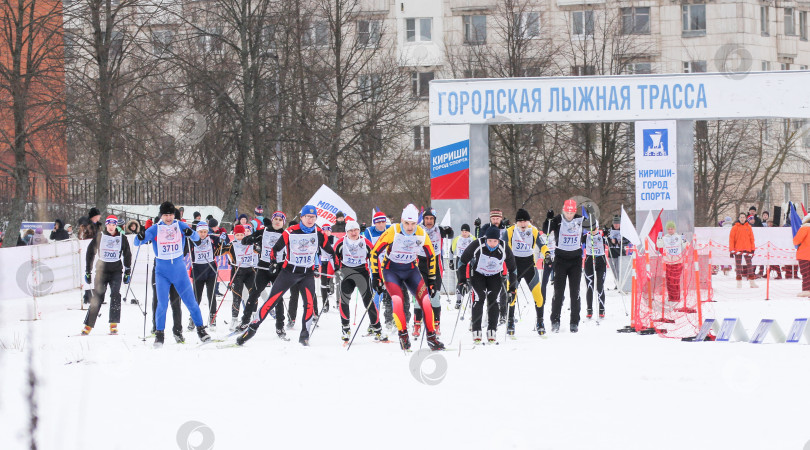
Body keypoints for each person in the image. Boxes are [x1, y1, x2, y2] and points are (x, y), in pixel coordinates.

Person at [236, 205, 335, 346]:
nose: (310, 220)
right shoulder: (290, 231)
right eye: (308, 217)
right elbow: (275, 249)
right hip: (289, 272)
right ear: (302, 217)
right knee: (271, 301)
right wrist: (274, 262)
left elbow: (330, 252)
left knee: (309, 304)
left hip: (307, 273)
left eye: (313, 217)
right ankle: (251, 330)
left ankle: (304, 336)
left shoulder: (319, 233)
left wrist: (336, 266)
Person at [134, 201, 211, 347]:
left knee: (191, 302)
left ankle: (201, 330)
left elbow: (196, 239)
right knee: (162, 303)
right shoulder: (155, 228)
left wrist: (191, 233)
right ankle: (159, 335)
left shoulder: (180, 225)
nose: (168, 218)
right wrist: (140, 235)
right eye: (165, 215)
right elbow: (137, 243)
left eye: (170, 215)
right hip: (162, 272)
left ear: (174, 215)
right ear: (161, 216)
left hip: (179, 270)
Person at [369, 204, 444, 351]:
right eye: (407, 223)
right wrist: (376, 276)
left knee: (426, 301)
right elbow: (374, 253)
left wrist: (432, 280)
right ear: (401, 220)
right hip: (391, 271)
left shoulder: (421, 233)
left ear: (417, 222)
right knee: (398, 300)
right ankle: (403, 336)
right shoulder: (393, 230)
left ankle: (432, 338)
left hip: (410, 270)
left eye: (413, 224)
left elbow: (431, 256)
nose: (410, 228)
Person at [457, 226, 517, 344]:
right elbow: (462, 261)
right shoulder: (477, 244)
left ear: (499, 240)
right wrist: (462, 281)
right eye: (490, 241)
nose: (492, 244)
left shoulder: (504, 247)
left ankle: (492, 330)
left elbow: (513, 269)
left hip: (495, 276)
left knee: (493, 299)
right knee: (479, 297)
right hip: (478, 274)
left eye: (495, 241)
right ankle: (476, 330)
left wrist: (512, 289)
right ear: (485, 239)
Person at [333, 220, 387, 342]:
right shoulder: (341, 243)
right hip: (347, 273)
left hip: (362, 273)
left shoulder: (365, 242)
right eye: (351, 230)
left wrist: (377, 276)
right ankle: (345, 329)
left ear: (359, 230)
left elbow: (374, 259)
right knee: (344, 300)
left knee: (368, 302)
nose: (353, 233)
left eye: (356, 230)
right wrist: (337, 270)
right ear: (346, 232)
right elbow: (335, 257)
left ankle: (377, 329)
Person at [237, 211, 287, 338]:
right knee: (254, 294)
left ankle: (280, 326)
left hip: (278, 268)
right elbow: (245, 241)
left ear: (283, 223)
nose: (277, 221)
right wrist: (251, 239)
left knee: (278, 297)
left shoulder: (286, 234)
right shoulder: (263, 231)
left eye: (280, 220)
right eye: (275, 219)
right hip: (263, 268)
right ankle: (245, 321)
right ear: (272, 220)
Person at [80, 215, 132, 335]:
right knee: (98, 296)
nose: (111, 227)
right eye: (109, 224)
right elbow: (90, 253)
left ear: (116, 226)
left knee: (115, 294)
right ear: (106, 225)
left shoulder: (122, 238)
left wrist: (127, 271)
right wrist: (88, 271)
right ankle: (88, 325)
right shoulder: (100, 236)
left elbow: (127, 254)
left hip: (116, 271)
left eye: (113, 225)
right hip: (101, 271)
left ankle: (113, 324)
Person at [363, 211, 411, 329]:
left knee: (395, 294)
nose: (381, 225)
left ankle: (397, 320)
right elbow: (366, 248)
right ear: (374, 223)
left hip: (391, 268)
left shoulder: (392, 229)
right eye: (378, 222)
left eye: (383, 222)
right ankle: (374, 322)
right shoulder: (369, 231)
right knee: (377, 296)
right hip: (376, 268)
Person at [504, 209, 548, 336]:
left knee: (538, 297)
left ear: (529, 221)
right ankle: (510, 322)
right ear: (516, 222)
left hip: (529, 267)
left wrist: (547, 254)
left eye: (525, 222)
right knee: (512, 296)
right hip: (514, 268)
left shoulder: (533, 230)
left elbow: (542, 245)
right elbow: (500, 245)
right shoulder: (510, 231)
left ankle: (540, 322)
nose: (523, 225)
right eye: (520, 222)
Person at [415, 207, 453, 336]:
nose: (429, 221)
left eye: (431, 218)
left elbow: (451, 235)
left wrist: (449, 231)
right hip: (420, 263)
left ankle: (436, 325)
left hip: (436, 264)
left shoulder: (439, 229)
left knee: (435, 297)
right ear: (423, 219)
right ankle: (417, 325)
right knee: (419, 296)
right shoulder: (417, 229)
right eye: (426, 218)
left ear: (435, 220)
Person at [548, 199, 585, 333]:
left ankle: (574, 322)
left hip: (575, 260)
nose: (569, 215)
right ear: (563, 210)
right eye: (567, 212)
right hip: (561, 260)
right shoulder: (558, 220)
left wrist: (592, 220)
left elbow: (593, 227)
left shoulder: (580, 219)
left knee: (575, 292)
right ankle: (555, 320)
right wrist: (548, 219)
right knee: (559, 292)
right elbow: (546, 229)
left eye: (571, 212)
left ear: (575, 211)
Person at [184, 222, 223, 330]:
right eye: (201, 232)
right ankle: (193, 318)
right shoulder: (192, 240)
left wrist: (223, 235)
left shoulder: (212, 239)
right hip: (197, 271)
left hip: (211, 270)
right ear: (197, 231)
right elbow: (184, 248)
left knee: (211, 295)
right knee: (196, 297)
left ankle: (212, 317)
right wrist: (186, 235)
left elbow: (224, 243)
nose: (203, 234)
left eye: (205, 232)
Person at [224, 224, 257, 331]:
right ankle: (234, 319)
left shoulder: (250, 243)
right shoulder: (231, 245)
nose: (240, 237)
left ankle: (253, 317)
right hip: (237, 272)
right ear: (234, 235)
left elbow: (261, 250)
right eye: (237, 235)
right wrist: (221, 242)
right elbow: (217, 252)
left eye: (241, 235)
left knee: (253, 294)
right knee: (236, 296)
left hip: (250, 271)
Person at [656, 221, 688, 303]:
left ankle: (676, 297)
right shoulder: (664, 238)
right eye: (669, 229)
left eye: (672, 229)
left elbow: (686, 246)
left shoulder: (678, 237)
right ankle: (671, 297)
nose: (670, 230)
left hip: (677, 261)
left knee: (675, 280)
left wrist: (684, 240)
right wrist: (659, 238)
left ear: (674, 229)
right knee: (669, 280)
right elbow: (659, 246)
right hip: (667, 262)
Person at [582, 217, 607, 319]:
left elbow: (613, 242)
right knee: (590, 286)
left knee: (600, 285)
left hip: (600, 261)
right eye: (591, 229)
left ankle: (601, 309)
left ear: (597, 227)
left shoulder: (602, 236)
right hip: (589, 261)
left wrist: (608, 235)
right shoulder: (586, 237)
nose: (593, 231)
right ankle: (589, 309)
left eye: (595, 229)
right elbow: (577, 241)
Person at [729, 212, 757, 289]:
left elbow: (752, 239)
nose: (742, 219)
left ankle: (752, 282)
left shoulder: (749, 227)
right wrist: (731, 250)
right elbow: (731, 240)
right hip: (737, 249)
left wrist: (752, 249)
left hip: (747, 249)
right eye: (741, 217)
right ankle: (739, 283)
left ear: (745, 218)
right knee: (738, 266)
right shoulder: (735, 227)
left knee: (750, 266)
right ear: (739, 218)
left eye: (743, 217)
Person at [450, 224, 474, 309]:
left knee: (471, 280)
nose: (464, 233)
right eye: (463, 231)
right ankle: (458, 301)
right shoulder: (457, 238)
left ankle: (472, 301)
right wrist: (451, 261)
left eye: (466, 231)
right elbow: (451, 250)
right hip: (460, 260)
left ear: (469, 232)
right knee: (460, 280)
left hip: (470, 261)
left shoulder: (473, 239)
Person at [793, 214, 810, 296]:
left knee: (805, 273)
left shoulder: (805, 228)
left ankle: (806, 290)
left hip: (804, 255)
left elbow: (796, 241)